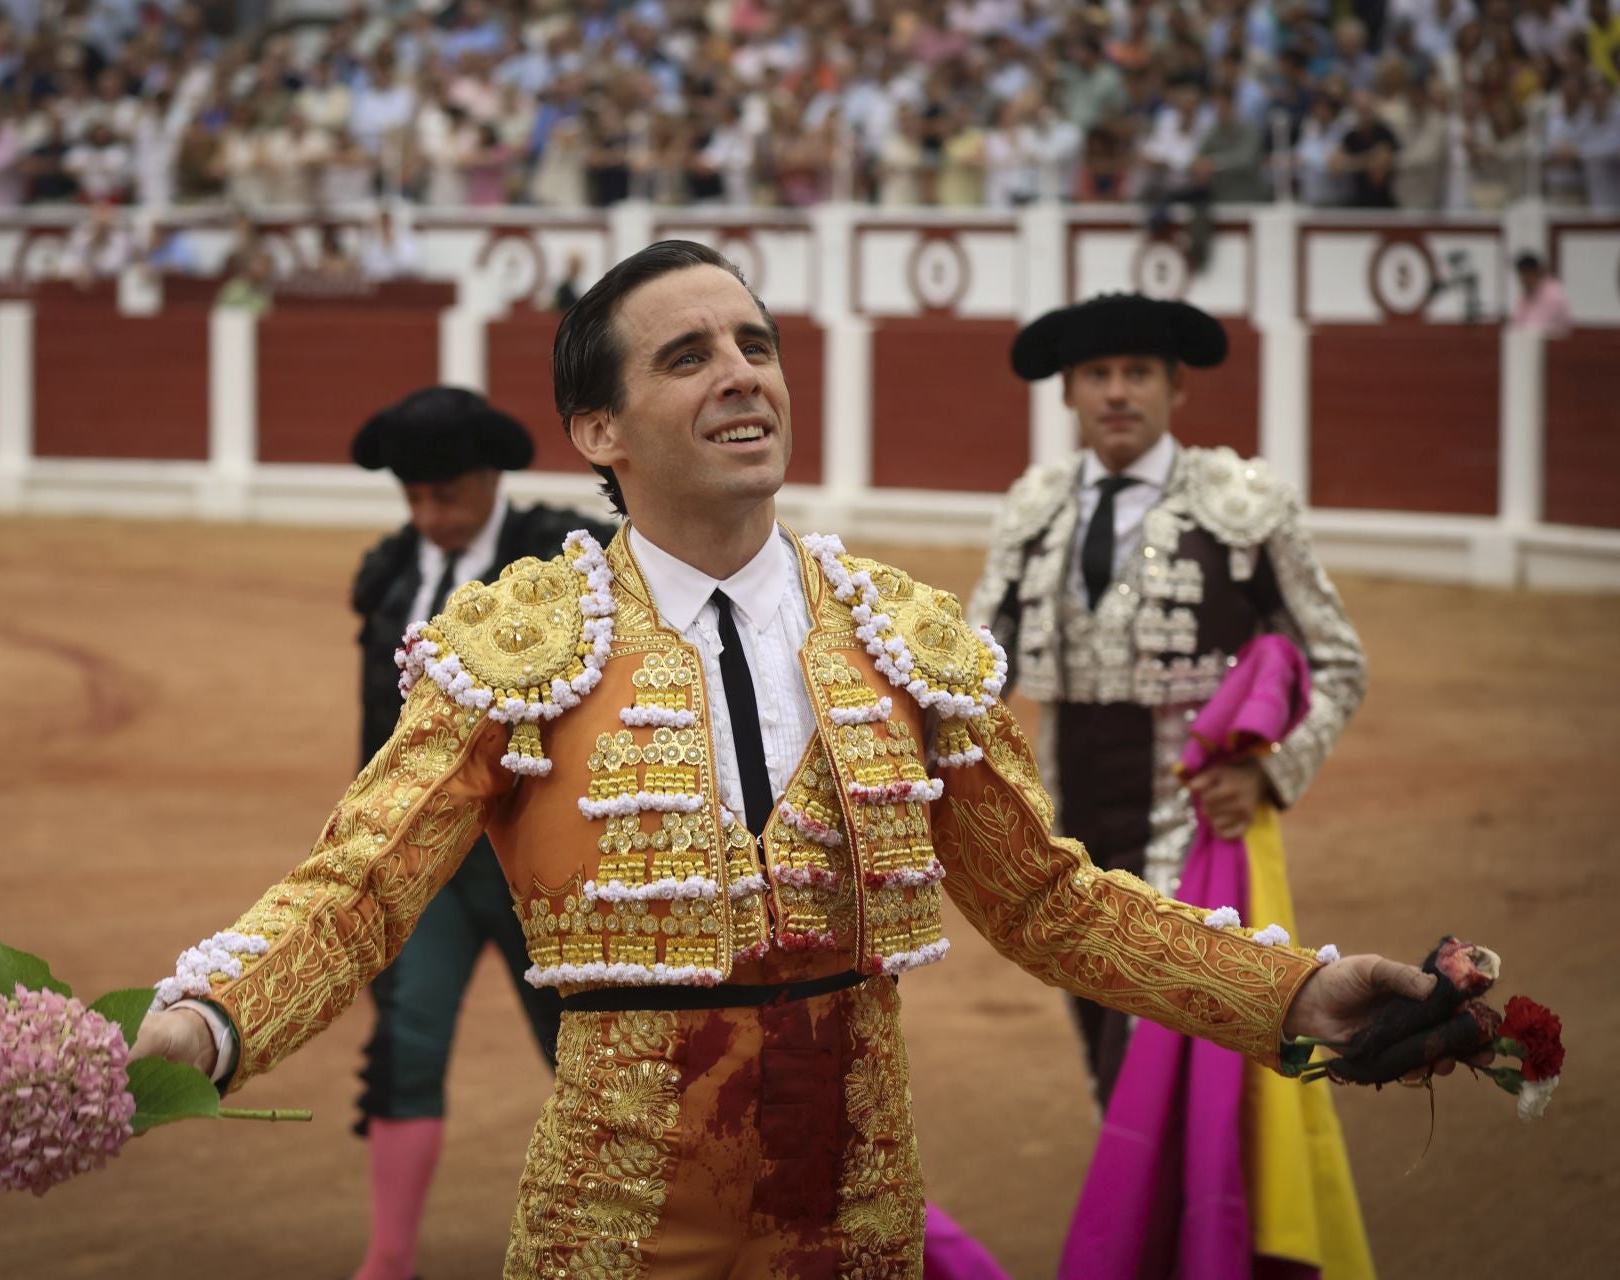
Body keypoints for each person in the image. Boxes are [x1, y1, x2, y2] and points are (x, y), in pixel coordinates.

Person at [128, 242, 1466, 1276]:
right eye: (688, 355)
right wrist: (196, 1026)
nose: (742, 374)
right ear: (600, 432)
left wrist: (1294, 993)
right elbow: (358, 893)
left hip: (859, 1221)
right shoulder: (513, 645)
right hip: (617, 1227)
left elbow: (1051, 901)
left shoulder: (901, 637)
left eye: (757, 345)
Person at [970, 294, 1372, 1277]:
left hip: (1196, 846)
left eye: (1138, 372)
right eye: (1099, 375)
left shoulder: (1241, 504)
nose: (1117, 392)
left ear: (1175, 386)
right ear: (1069, 391)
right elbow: (975, 669)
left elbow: (1340, 660)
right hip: (1064, 854)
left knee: (1162, 1076)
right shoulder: (1033, 511)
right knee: (1119, 1076)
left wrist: (1272, 768)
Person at [343, 387, 612, 1280]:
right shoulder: (389, 573)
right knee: (405, 1043)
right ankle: (387, 1260)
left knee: (596, 1055)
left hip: (542, 860)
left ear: (490, 478)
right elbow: (378, 734)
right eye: (414, 497)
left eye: (446, 496)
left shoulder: (569, 561)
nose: (430, 515)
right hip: (434, 863)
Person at [1511, 251, 1574, 337]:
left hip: (1555, 346)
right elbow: (1517, 324)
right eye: (1521, 276)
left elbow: (1538, 327)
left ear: (1537, 272)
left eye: (1526, 275)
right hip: (1531, 344)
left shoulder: (1553, 294)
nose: (1523, 280)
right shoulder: (1527, 294)